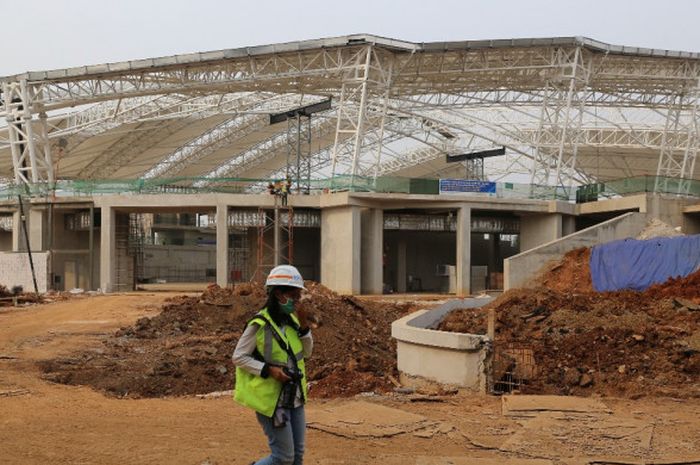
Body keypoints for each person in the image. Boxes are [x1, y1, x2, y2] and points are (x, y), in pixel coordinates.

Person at [233, 265, 313, 465]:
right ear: (278, 294)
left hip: (294, 397)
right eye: (294, 295)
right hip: (272, 401)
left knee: (298, 456)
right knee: (283, 457)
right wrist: (269, 370)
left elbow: (307, 353)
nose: (297, 301)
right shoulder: (259, 323)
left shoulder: (293, 322)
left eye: (298, 296)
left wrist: (304, 326)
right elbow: (239, 357)